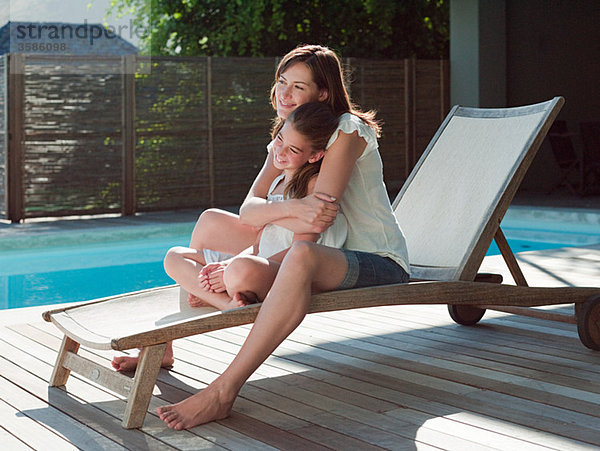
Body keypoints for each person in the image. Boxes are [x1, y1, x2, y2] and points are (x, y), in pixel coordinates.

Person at [153, 44, 410, 430]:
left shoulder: (346, 131)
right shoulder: (286, 138)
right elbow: (249, 209)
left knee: (300, 254)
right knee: (209, 221)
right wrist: (287, 209)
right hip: (313, 247)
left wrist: (259, 237)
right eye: (281, 83)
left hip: (369, 259)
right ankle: (167, 344)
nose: (283, 95)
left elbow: (315, 223)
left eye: (298, 87)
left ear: (323, 93)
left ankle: (224, 390)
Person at [166, 101, 348, 309]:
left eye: (293, 150)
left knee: (238, 271)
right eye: (280, 139)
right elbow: (259, 244)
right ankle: (226, 303)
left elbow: (299, 252)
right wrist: (225, 264)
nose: (280, 152)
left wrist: (232, 267)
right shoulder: (276, 184)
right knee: (174, 257)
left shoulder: (311, 186)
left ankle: (221, 292)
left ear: (314, 156)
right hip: (257, 261)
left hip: (282, 269)